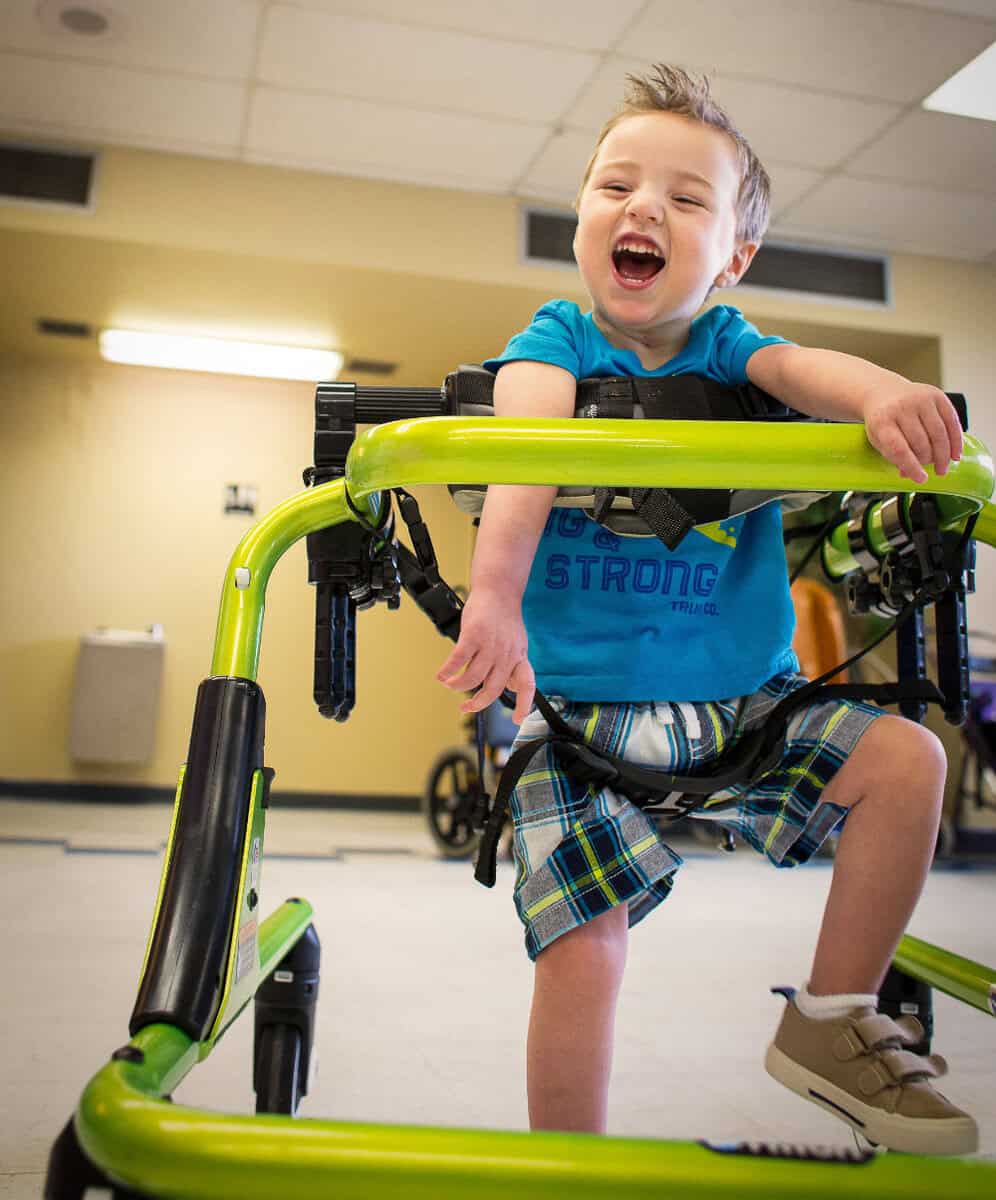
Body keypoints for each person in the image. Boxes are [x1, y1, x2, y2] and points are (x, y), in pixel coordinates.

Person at [437, 64, 976, 1155]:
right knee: (580, 945)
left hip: (746, 707)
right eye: (616, 187)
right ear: (584, 221)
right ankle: (571, 1164)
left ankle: (831, 1018)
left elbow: (803, 366)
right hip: (581, 722)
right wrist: (492, 591)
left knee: (911, 761)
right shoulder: (558, 339)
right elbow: (522, 441)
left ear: (732, 254)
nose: (644, 209)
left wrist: (877, 393)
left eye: (687, 201)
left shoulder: (732, 347)